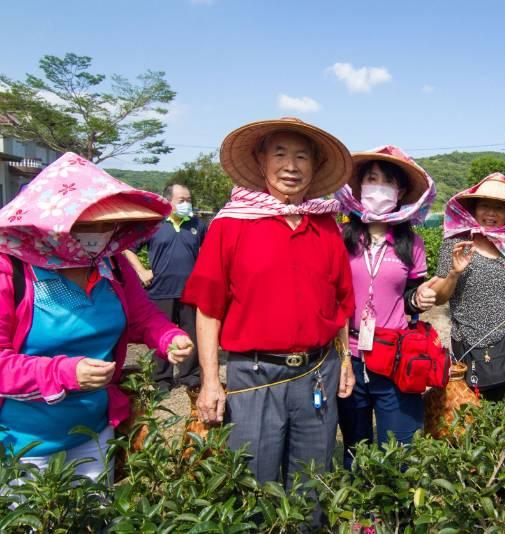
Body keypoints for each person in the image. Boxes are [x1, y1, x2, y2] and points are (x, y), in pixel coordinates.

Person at [181, 118, 356, 491]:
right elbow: (209, 310)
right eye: (280, 154)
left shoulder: (326, 226)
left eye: (301, 157)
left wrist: (345, 362)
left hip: (318, 372)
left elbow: (340, 302)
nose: (291, 166)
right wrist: (211, 381)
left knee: (313, 482)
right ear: (261, 162)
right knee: (253, 482)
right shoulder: (229, 225)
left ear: (315, 167)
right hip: (254, 374)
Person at [0, 153, 193, 482]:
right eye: (88, 225)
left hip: (94, 434)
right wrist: (65, 372)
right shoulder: (13, 270)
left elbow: (141, 315)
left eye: (108, 224)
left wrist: (166, 337)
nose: (100, 234)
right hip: (22, 446)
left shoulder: (111, 264)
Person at [334, 145, 437, 469]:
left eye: (387, 181)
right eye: (372, 179)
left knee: (400, 450)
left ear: (401, 191)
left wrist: (419, 298)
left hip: (394, 356)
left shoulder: (412, 243)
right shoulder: (340, 237)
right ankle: (360, 518)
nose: (378, 187)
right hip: (348, 356)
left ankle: (398, 517)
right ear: (359, 188)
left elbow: (409, 298)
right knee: (355, 447)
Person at [431, 173, 505, 401]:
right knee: (470, 416)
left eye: (499, 208)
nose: (491, 213)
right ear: (474, 209)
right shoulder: (456, 243)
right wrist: (454, 273)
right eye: (485, 206)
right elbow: (439, 299)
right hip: (467, 344)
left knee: (504, 416)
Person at [123, 184, 206, 392]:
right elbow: (128, 248)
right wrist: (141, 271)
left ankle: (190, 375)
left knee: (191, 334)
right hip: (160, 290)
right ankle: (162, 378)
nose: (187, 204)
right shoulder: (153, 226)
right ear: (168, 201)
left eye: (189, 199)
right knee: (161, 334)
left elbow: (209, 251)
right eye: (182, 200)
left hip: (190, 291)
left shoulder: (198, 225)